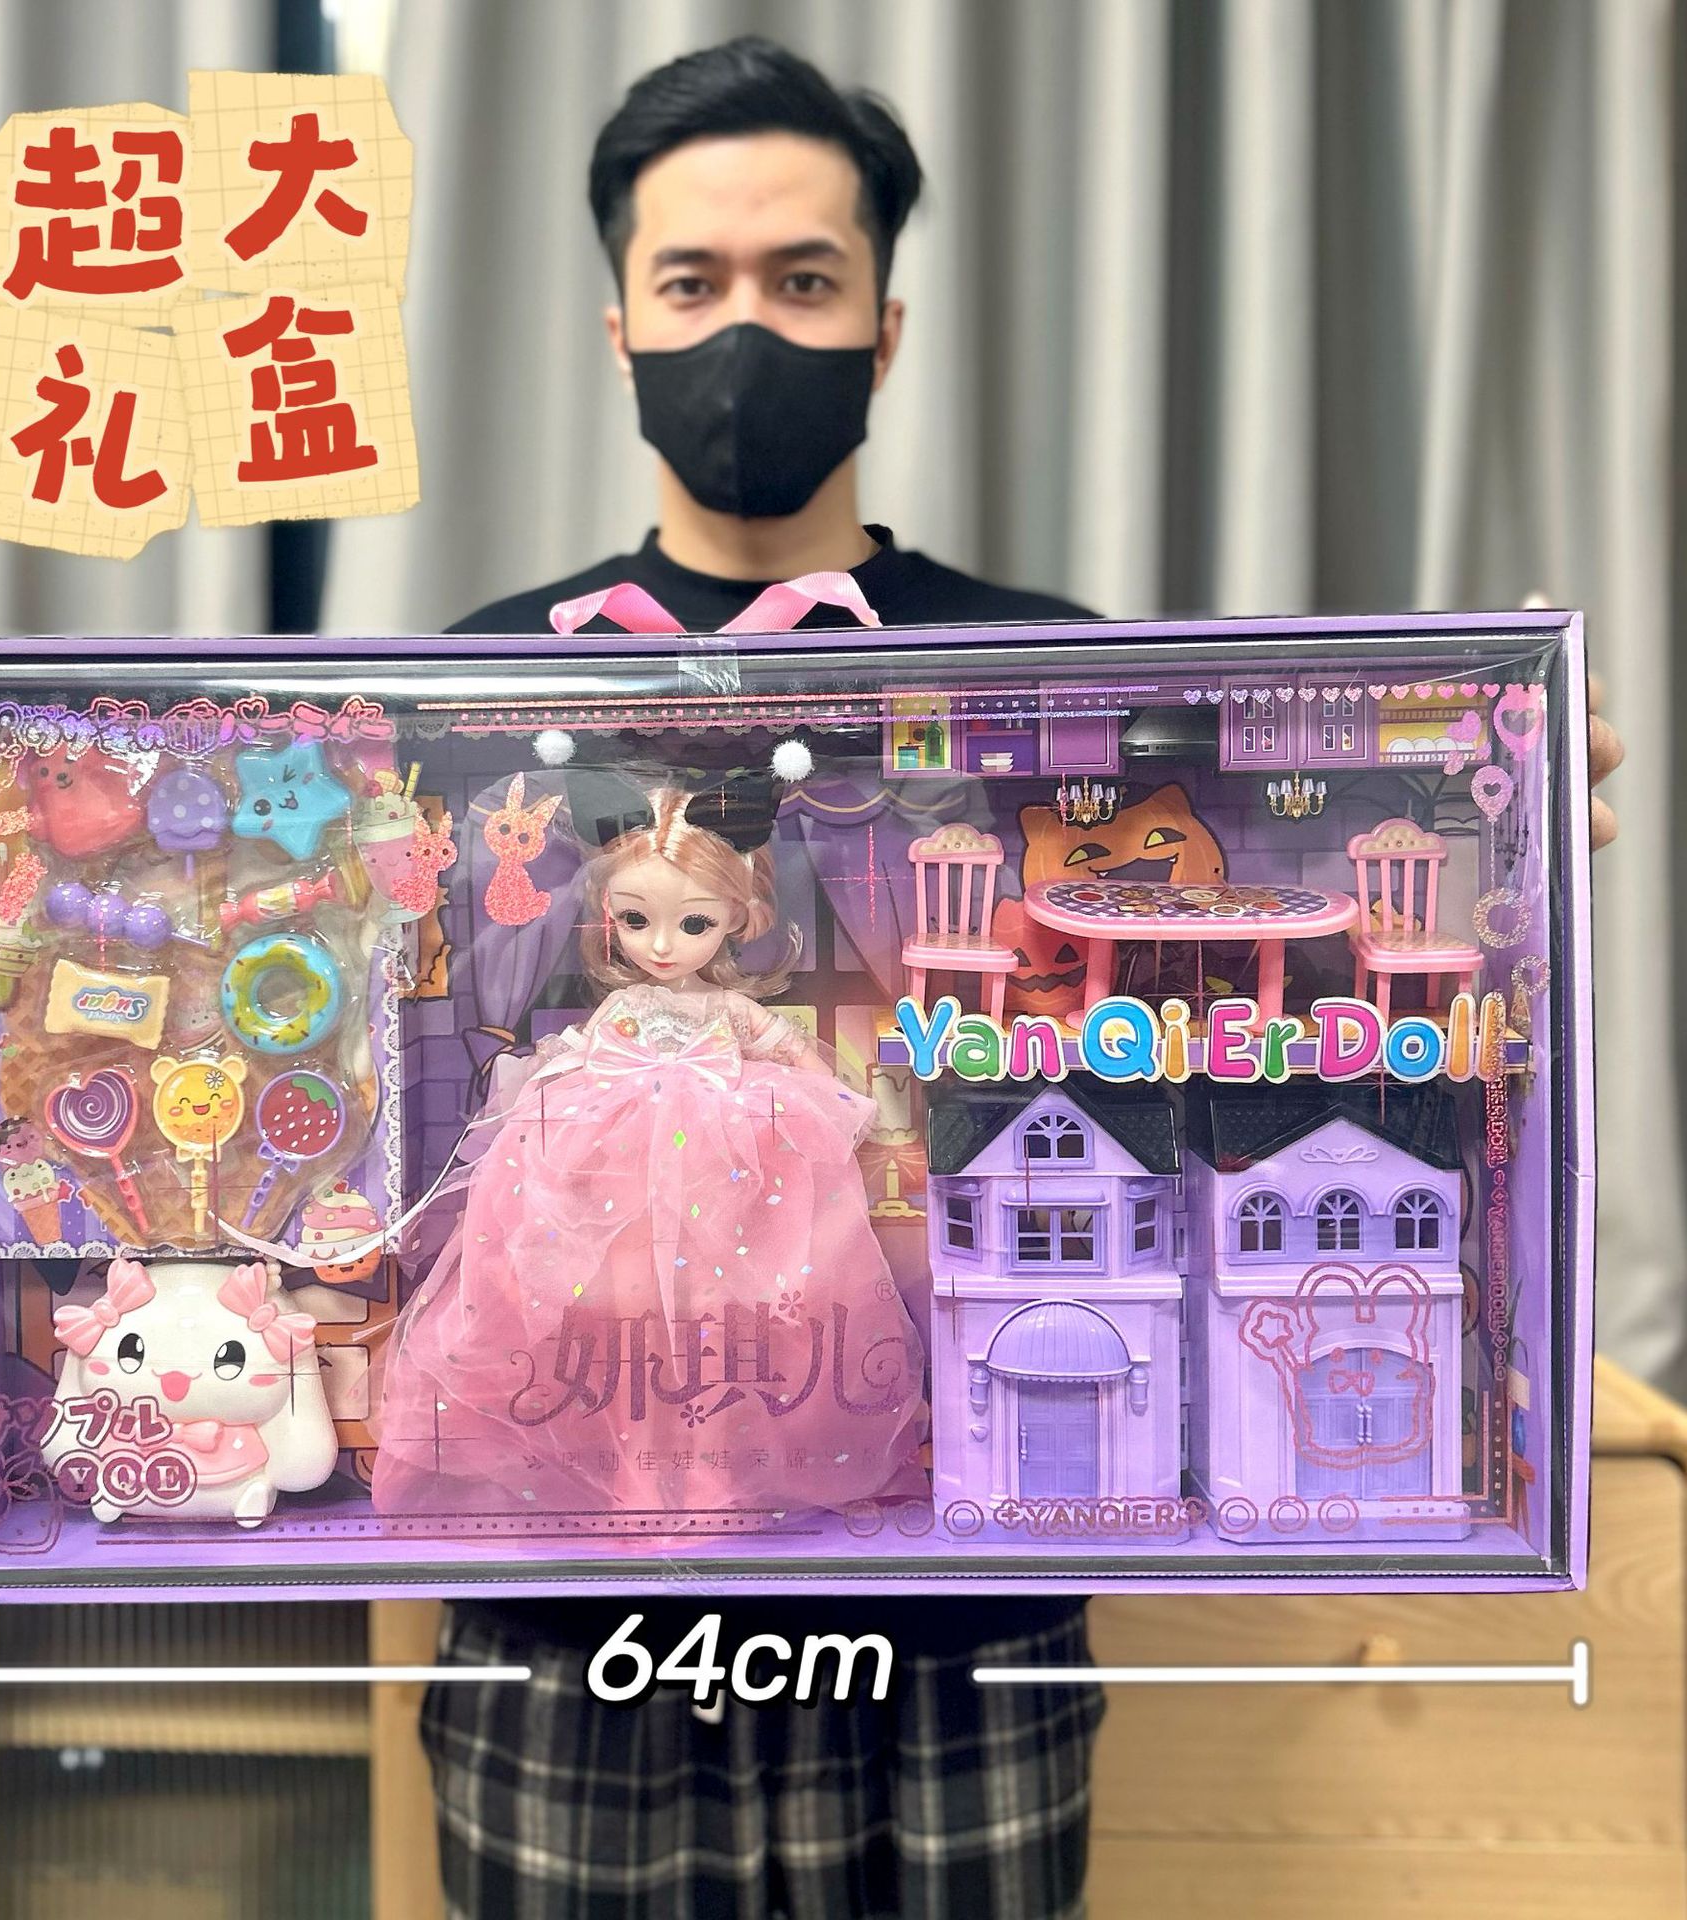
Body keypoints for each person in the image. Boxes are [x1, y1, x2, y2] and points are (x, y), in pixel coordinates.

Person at [412, 36, 1624, 1920]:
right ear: (619, 324)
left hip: (964, 1594)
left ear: (884, 329)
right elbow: (422, 1038)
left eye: (805, 280)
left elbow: (1254, 940)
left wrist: (1504, 818)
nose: (749, 332)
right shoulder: (482, 685)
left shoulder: (1069, 678)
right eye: (695, 282)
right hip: (578, 1608)